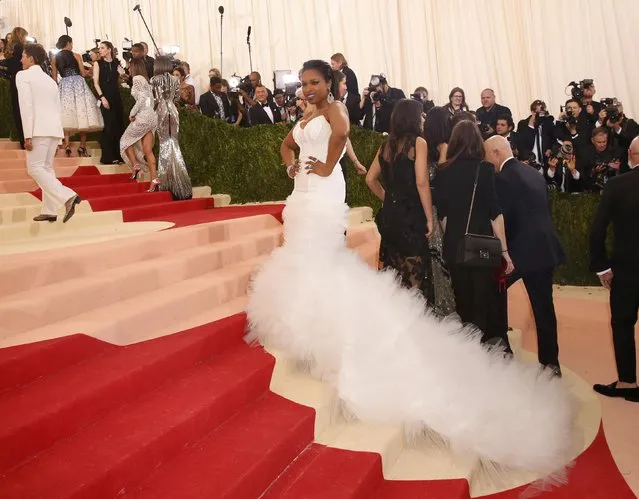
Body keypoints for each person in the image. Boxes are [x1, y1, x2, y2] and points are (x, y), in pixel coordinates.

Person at [246, 59, 573, 480]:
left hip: (341, 200)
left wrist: (332, 169)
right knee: (349, 265)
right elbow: (293, 147)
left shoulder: (344, 116)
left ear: (330, 83)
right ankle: (317, 312)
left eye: (315, 82)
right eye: (304, 82)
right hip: (325, 198)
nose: (307, 88)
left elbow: (347, 141)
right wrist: (294, 165)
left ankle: (342, 319)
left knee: (334, 258)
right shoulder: (334, 122)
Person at [484, 135, 566, 376]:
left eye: (487, 154)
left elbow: (501, 218)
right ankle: (551, 365)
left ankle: (502, 355)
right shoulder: (532, 173)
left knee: (494, 294)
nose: (486, 159)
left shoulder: (502, 179)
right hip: (544, 249)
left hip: (519, 252)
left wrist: (504, 252)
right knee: (544, 309)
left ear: (496, 153)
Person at [366, 99, 445, 313]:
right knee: (415, 272)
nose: (423, 119)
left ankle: (394, 319)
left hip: (390, 214)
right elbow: (422, 182)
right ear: (412, 117)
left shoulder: (386, 144)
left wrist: (387, 198)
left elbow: (370, 179)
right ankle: (416, 324)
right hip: (411, 215)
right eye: (420, 115)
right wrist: (429, 218)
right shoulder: (418, 143)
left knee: (393, 271)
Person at [435, 120, 512, 335]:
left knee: (462, 299)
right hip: (482, 245)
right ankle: (480, 349)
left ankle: (467, 348)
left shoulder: (443, 171)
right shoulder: (485, 169)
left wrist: (454, 237)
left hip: (454, 243)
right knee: (481, 300)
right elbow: (495, 213)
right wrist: (505, 251)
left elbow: (442, 214)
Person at [589, 136, 639, 403]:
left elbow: (597, 230)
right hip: (627, 269)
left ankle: (628, 383)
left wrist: (601, 267)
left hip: (626, 270)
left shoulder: (618, 185)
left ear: (632, 155)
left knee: (622, 324)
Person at [16, 44, 81, 223]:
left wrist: (27, 135)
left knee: (35, 168)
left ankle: (67, 196)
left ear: (31, 59)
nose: (20, 60)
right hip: (52, 130)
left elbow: (26, 106)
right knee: (46, 169)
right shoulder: (50, 80)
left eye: (23, 56)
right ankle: (49, 210)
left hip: (37, 130)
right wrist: (59, 136)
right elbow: (57, 108)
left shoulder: (23, 76)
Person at [51, 35, 104, 157]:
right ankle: (82, 147)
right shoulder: (76, 55)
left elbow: (54, 78)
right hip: (79, 84)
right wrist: (90, 72)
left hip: (64, 85)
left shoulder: (54, 58)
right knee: (83, 113)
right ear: (68, 43)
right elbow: (82, 73)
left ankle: (67, 145)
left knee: (66, 113)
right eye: (71, 43)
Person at [150, 56, 193, 200]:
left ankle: (166, 181)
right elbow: (175, 98)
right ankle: (181, 181)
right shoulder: (175, 80)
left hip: (161, 110)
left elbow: (155, 100)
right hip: (173, 111)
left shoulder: (154, 80)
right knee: (174, 143)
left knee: (164, 144)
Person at [120, 59, 159, 190]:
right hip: (152, 117)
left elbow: (142, 99)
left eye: (129, 66)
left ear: (134, 67)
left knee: (125, 140)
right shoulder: (146, 81)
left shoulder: (137, 78)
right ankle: (154, 179)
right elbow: (150, 100)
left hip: (143, 116)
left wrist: (132, 113)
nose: (128, 68)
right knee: (148, 150)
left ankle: (135, 165)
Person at [93, 41, 125, 165]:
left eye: (102, 48)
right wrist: (102, 97)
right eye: (99, 48)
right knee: (108, 125)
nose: (100, 50)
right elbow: (96, 83)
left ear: (109, 49)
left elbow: (120, 80)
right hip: (105, 96)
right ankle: (108, 157)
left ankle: (119, 155)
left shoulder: (116, 62)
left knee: (118, 125)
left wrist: (123, 75)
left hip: (116, 96)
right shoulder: (98, 63)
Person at [0, 27, 28, 149]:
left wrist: (3, 65)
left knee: (19, 111)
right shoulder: (20, 48)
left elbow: (12, 65)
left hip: (16, 81)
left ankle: (24, 141)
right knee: (22, 111)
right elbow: (16, 64)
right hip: (20, 82)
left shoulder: (16, 48)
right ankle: (25, 141)